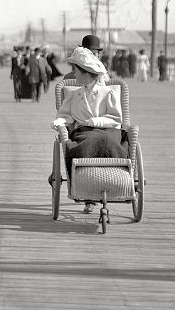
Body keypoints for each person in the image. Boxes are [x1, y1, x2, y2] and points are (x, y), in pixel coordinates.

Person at [51, 46, 127, 212]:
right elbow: (65, 115)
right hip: (84, 132)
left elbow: (116, 119)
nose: (75, 75)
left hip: (108, 130)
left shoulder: (108, 93)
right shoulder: (74, 95)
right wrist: (59, 121)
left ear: (86, 72)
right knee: (88, 140)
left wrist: (96, 121)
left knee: (104, 139)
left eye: (77, 72)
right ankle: (83, 180)